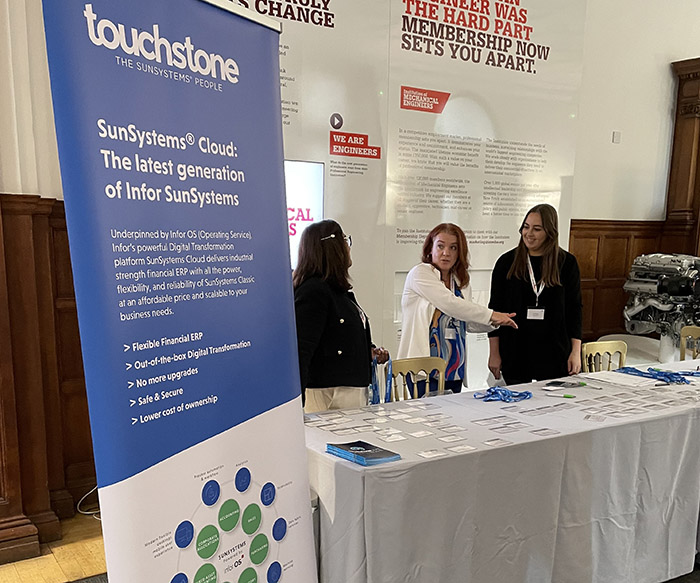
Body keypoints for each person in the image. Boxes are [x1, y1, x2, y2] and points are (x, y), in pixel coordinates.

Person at [397, 223, 517, 395]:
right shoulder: (420, 273)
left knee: (450, 420)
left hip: (454, 367)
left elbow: (467, 321)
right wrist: (491, 314)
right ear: (430, 248)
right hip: (424, 369)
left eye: (453, 248)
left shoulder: (460, 282)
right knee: (427, 419)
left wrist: (495, 323)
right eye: (440, 246)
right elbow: (450, 304)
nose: (446, 253)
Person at [293, 220, 388, 412]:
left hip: (344, 391)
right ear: (332, 247)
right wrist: (295, 405)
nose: (348, 246)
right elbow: (302, 349)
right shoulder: (314, 291)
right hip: (325, 394)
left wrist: (366, 351)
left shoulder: (337, 291)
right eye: (345, 239)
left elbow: (337, 336)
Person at [488, 204, 582, 385]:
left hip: (554, 351)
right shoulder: (506, 262)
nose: (529, 233)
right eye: (526, 227)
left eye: (537, 229)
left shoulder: (566, 263)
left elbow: (574, 309)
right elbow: (495, 310)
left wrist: (575, 351)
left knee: (552, 407)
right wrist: (494, 353)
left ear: (550, 232)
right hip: (515, 350)